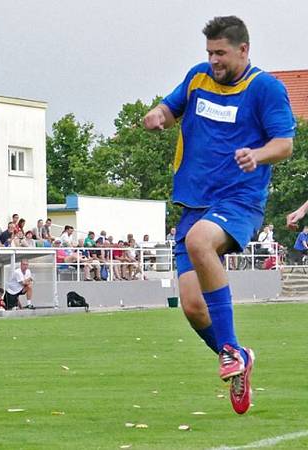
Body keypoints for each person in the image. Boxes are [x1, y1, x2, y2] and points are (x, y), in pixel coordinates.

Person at [143, 16, 294, 415]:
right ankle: (238, 356)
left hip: (238, 200)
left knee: (198, 241)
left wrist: (257, 154)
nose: (214, 60)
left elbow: (284, 144)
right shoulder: (197, 78)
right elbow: (170, 107)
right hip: (193, 203)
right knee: (192, 307)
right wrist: (157, 116)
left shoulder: (265, 88)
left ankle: (229, 349)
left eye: (221, 53)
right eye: (209, 53)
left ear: (244, 50)